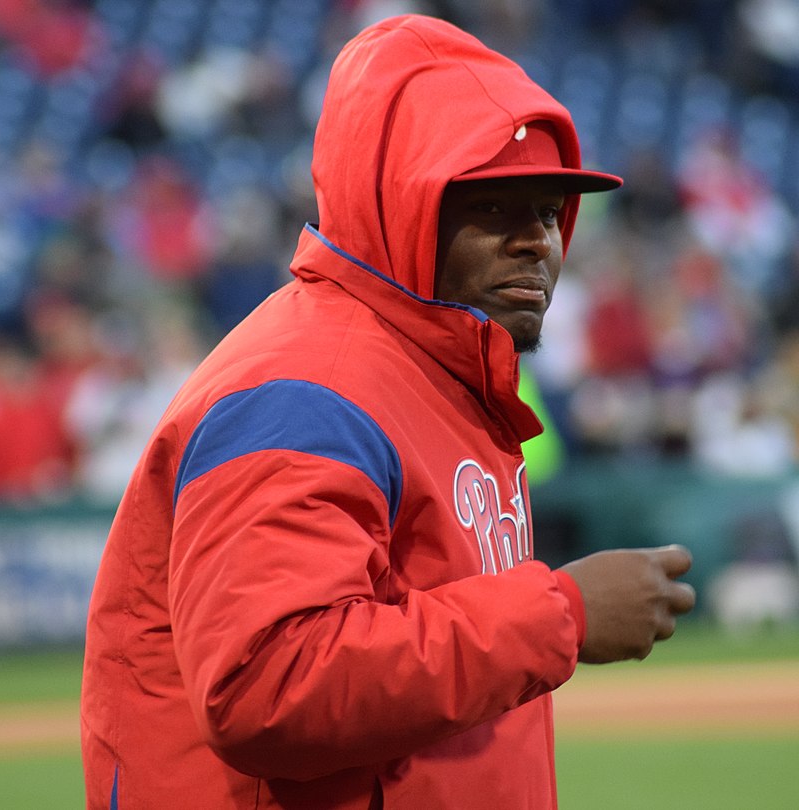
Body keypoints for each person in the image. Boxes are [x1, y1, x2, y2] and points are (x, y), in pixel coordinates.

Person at [81, 15, 696, 810]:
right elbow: (269, 686)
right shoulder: (305, 391)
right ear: (401, 207)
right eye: (496, 209)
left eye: (547, 213)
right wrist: (562, 617)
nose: (537, 244)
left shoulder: (441, 372)